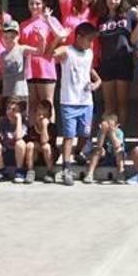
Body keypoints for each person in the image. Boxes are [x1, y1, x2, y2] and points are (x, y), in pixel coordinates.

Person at [54, 22, 102, 187]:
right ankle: (66, 168)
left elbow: (90, 71)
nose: (91, 43)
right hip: (69, 101)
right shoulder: (67, 51)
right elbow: (50, 54)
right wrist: (58, 39)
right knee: (69, 136)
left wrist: (97, 82)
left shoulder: (88, 53)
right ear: (79, 37)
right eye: (89, 39)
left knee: (86, 133)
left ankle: (78, 152)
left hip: (86, 102)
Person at [95, 0, 135, 127]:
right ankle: (108, 137)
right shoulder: (100, 18)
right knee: (109, 104)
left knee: (122, 103)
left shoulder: (129, 14)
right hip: (106, 62)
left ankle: (120, 136)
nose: (113, 1)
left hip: (124, 61)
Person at [19, 0, 61, 117]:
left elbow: (61, 37)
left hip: (46, 67)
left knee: (47, 103)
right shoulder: (23, 25)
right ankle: (33, 133)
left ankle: (50, 134)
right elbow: (20, 46)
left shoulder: (51, 20)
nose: (34, 6)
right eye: (31, 3)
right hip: (30, 68)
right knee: (32, 104)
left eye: (37, 3)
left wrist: (48, 21)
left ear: (43, 5)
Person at [0, 20, 48, 101]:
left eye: (12, 37)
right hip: (6, 93)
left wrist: (42, 39)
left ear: (18, 36)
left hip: (20, 93)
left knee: (19, 114)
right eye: (6, 37)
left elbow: (39, 52)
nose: (9, 40)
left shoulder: (22, 49)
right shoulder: (2, 55)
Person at [0, 97, 28, 183]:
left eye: (14, 110)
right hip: (6, 154)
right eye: (8, 109)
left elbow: (19, 137)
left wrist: (19, 118)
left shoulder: (24, 122)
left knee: (20, 143)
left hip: (19, 156)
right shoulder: (3, 121)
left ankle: (19, 171)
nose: (10, 112)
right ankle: (2, 170)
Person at [84, 113, 126, 185]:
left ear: (117, 125)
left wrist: (112, 133)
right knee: (97, 150)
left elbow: (117, 146)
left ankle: (121, 173)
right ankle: (90, 173)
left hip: (115, 157)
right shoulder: (101, 132)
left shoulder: (119, 132)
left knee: (119, 151)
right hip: (104, 157)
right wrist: (103, 133)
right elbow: (99, 146)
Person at [23, 99, 56, 184]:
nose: (41, 117)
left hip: (50, 156)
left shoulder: (52, 128)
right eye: (39, 114)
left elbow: (44, 141)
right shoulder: (31, 129)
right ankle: (30, 171)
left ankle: (50, 172)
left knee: (46, 146)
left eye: (44, 115)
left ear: (49, 116)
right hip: (36, 156)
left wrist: (44, 126)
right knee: (30, 145)